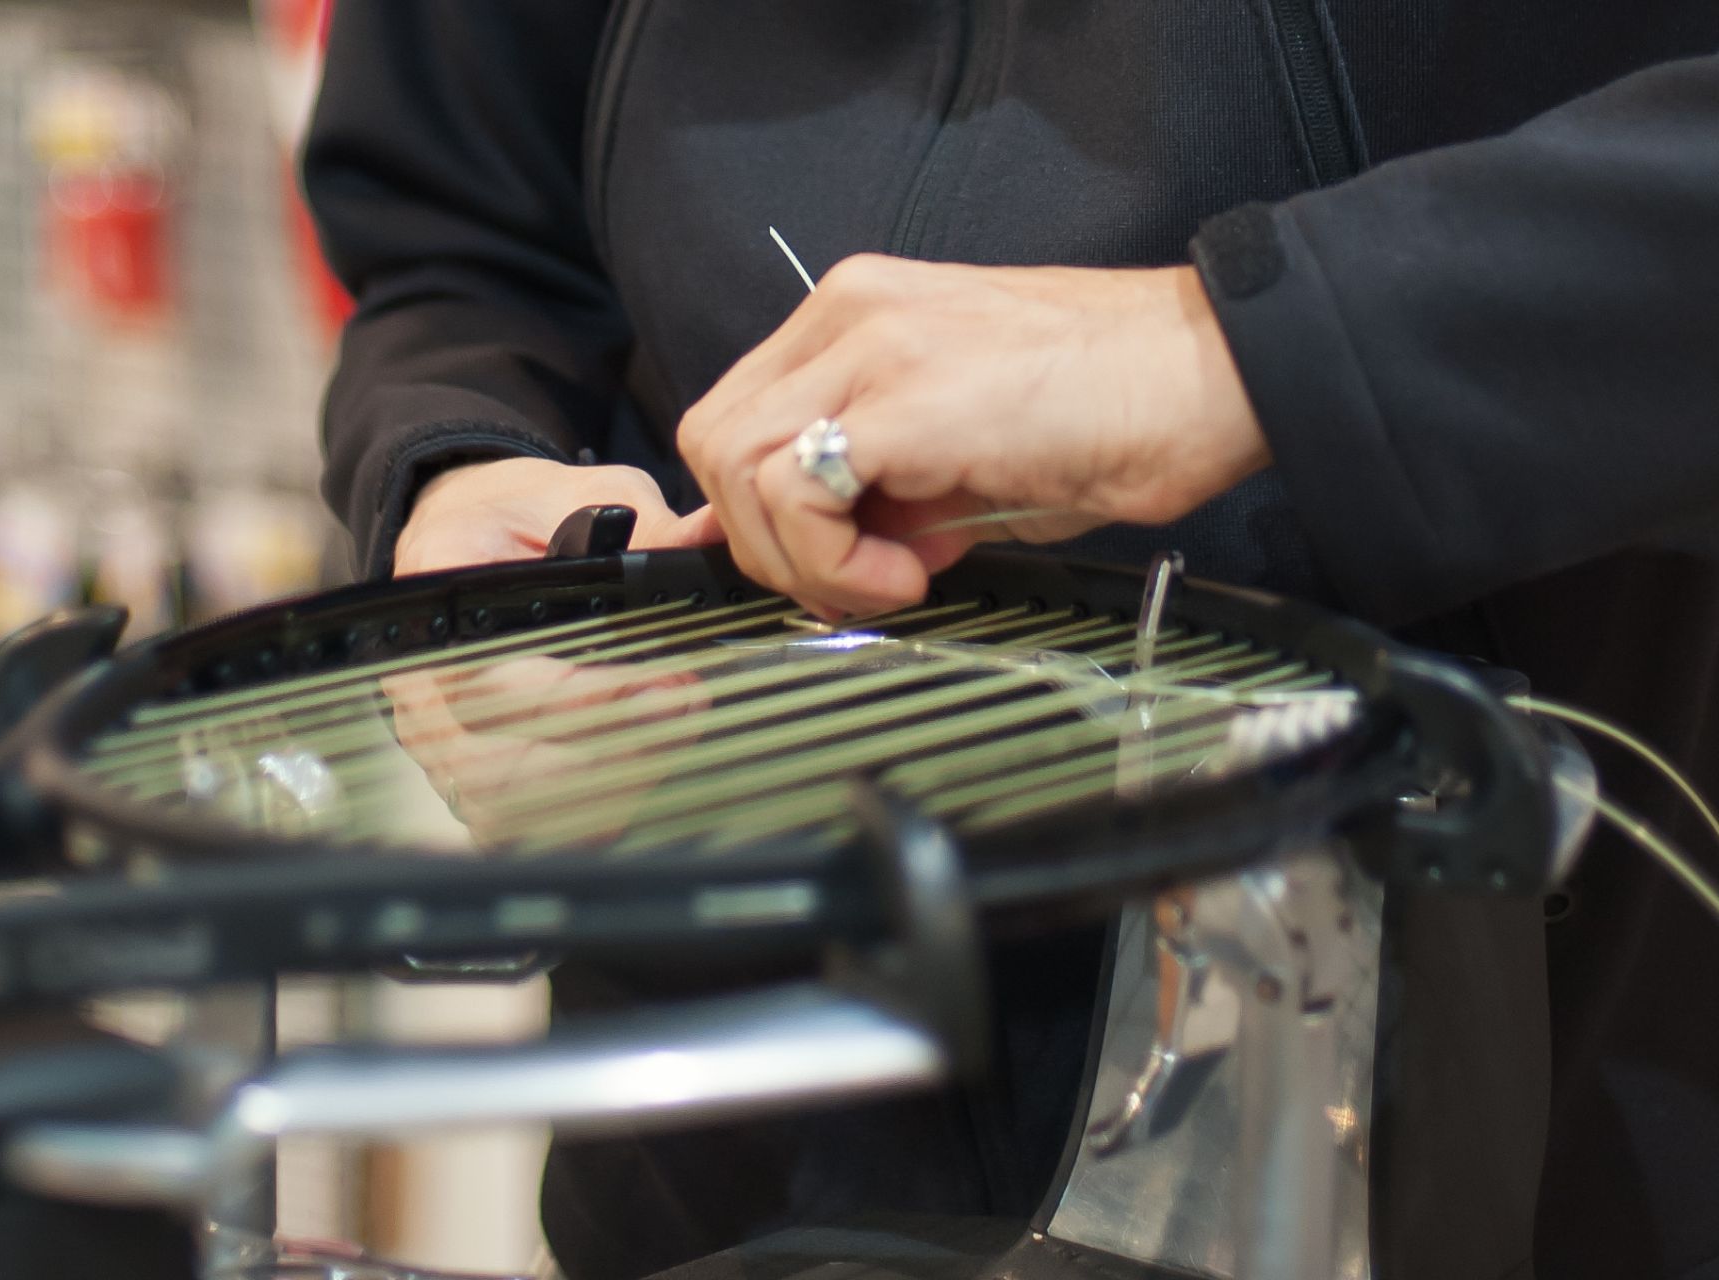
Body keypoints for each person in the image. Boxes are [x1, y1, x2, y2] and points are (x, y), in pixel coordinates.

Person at [302, 6, 1719, 1278]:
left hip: (1510, 1119)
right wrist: (462, 463)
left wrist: (1240, 347)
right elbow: (460, 230)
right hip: (709, 1155)